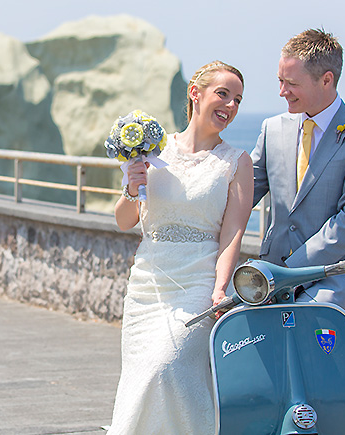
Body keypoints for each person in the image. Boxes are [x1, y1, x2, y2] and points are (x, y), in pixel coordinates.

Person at [107, 60, 253, 434]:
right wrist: (131, 185)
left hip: (197, 286)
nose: (231, 106)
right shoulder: (155, 151)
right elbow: (125, 220)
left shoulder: (237, 162)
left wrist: (221, 288)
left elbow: (233, 233)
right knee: (141, 380)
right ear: (195, 94)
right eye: (223, 94)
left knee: (167, 370)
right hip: (147, 287)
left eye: (237, 100)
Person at [251, 29, 345, 316]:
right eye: (280, 80)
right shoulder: (272, 129)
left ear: (326, 80)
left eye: (292, 83)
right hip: (270, 280)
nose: (282, 92)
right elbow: (243, 193)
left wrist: (290, 270)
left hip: (331, 281)